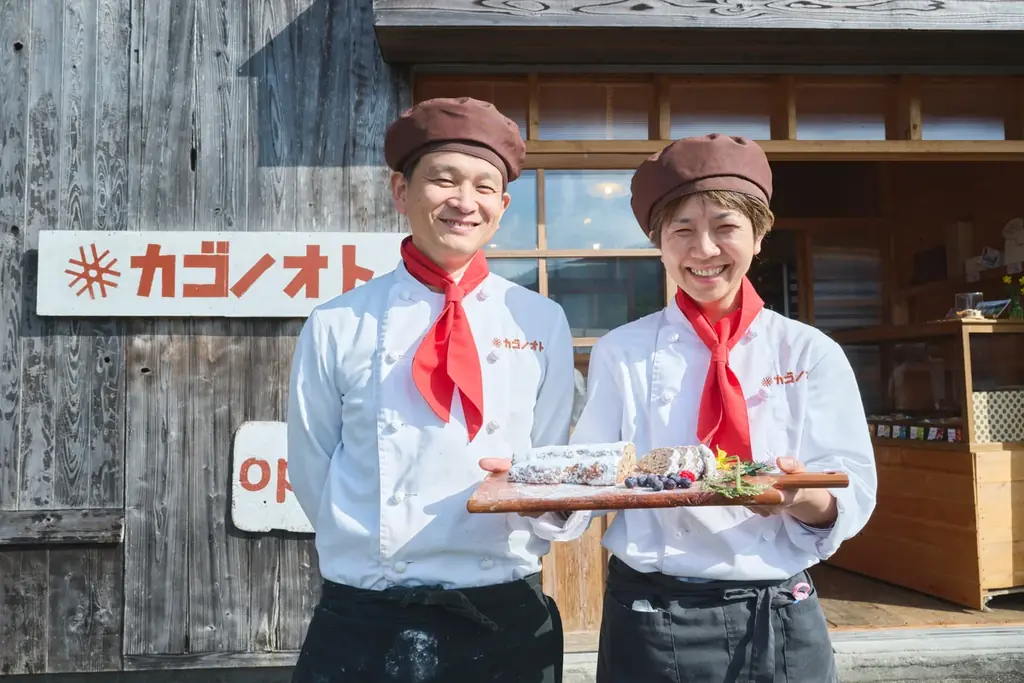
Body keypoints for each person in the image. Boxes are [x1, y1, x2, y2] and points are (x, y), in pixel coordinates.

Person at [527, 134, 878, 682]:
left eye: (726, 227)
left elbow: (850, 486)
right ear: (659, 242)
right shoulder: (623, 349)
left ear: (759, 236)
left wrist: (802, 498)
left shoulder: (808, 352)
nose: (704, 250)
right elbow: (595, 472)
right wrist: (538, 490)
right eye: (682, 230)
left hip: (777, 608)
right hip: (650, 611)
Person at [286, 96, 577, 683]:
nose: (464, 202)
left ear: (502, 205)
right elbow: (311, 464)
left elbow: (551, 459)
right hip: (370, 610)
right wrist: (367, 548)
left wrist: (552, 506)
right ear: (401, 192)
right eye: (444, 180)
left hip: (504, 602)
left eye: (483, 187)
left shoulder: (540, 320)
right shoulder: (339, 321)